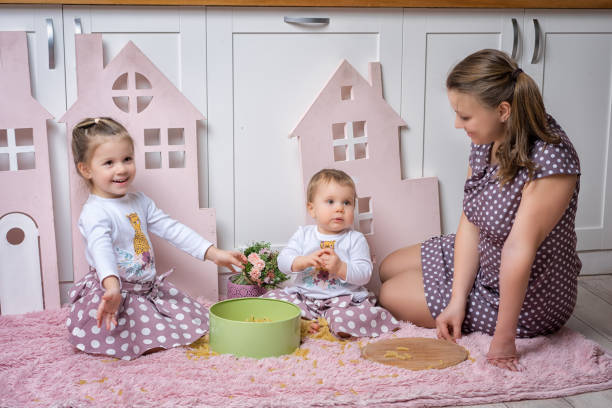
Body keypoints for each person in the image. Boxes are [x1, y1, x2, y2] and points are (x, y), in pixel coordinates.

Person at [378, 49, 581, 371]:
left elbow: (518, 250)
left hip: (526, 296)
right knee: (388, 267)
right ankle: (462, 294)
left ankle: (493, 318)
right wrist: (457, 298)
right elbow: (471, 219)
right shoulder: (489, 135)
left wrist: (503, 340)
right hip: (488, 256)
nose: (458, 124)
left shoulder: (552, 162)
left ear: (503, 110)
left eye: (465, 116)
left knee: (391, 294)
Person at [66, 117, 246, 360]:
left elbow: (172, 229)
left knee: (194, 321)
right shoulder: (95, 212)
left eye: (127, 159)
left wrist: (213, 253)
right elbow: (101, 250)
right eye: (108, 163)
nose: (121, 169)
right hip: (115, 292)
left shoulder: (139, 201)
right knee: (120, 339)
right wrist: (112, 286)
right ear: (86, 169)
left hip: (147, 289)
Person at [264, 168, 399, 337]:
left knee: (353, 315)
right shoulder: (304, 235)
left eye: (347, 203)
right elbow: (283, 262)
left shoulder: (355, 239)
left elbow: (364, 274)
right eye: (330, 202)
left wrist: (340, 267)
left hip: (343, 301)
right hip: (304, 297)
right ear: (312, 209)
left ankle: (338, 324)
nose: (339, 208)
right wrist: (303, 261)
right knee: (272, 301)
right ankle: (303, 320)